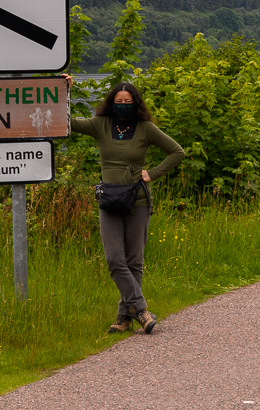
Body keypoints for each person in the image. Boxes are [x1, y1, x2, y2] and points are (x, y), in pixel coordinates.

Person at [67, 79, 184, 334]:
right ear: (111, 103)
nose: (122, 106)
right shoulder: (101, 125)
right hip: (109, 201)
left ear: (135, 103)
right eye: (118, 102)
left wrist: (152, 173)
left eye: (127, 102)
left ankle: (124, 318)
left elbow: (177, 151)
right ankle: (141, 310)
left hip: (138, 201)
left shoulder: (145, 128)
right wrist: (65, 91)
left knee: (134, 260)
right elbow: (68, 123)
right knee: (114, 258)